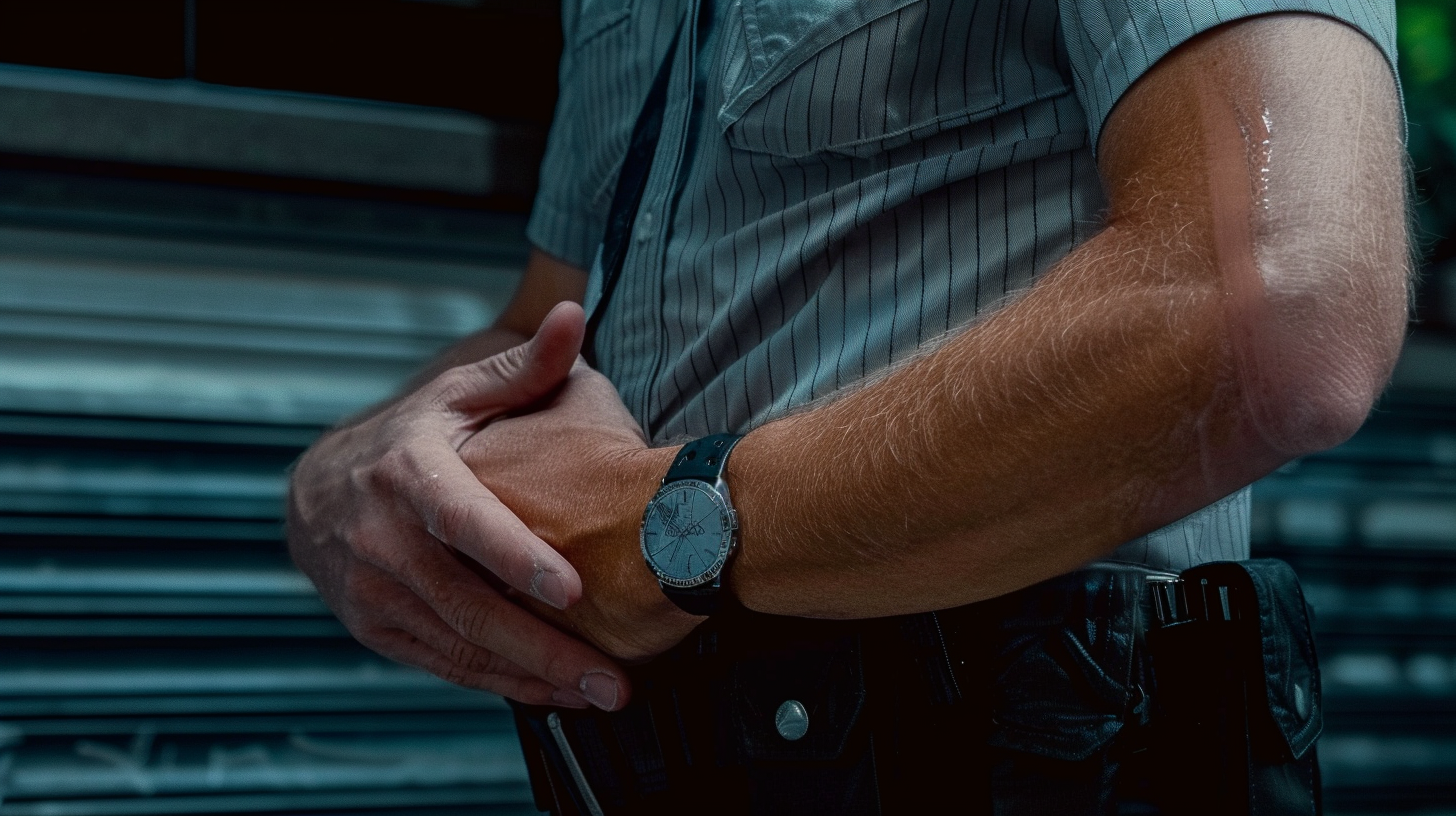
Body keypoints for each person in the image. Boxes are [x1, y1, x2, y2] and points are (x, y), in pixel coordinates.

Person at [286, 0, 1409, 811]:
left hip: (1024, 744)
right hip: (651, 756)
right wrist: (366, 461)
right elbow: (550, 320)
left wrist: (670, 536)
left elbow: (1273, 305)